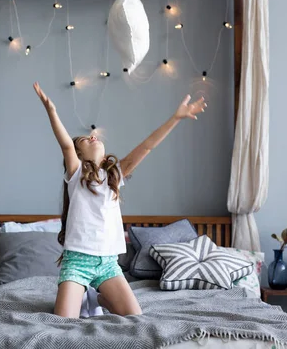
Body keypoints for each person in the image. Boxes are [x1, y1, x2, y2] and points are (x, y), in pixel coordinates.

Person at [33, 82, 207, 318]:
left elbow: (147, 146)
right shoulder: (76, 176)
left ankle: (100, 298)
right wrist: (51, 110)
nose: (92, 136)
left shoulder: (114, 176)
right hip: (77, 263)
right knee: (64, 322)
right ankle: (84, 293)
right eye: (85, 139)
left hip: (108, 264)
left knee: (135, 316)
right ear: (79, 155)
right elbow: (65, 144)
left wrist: (176, 117)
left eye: (93, 136)